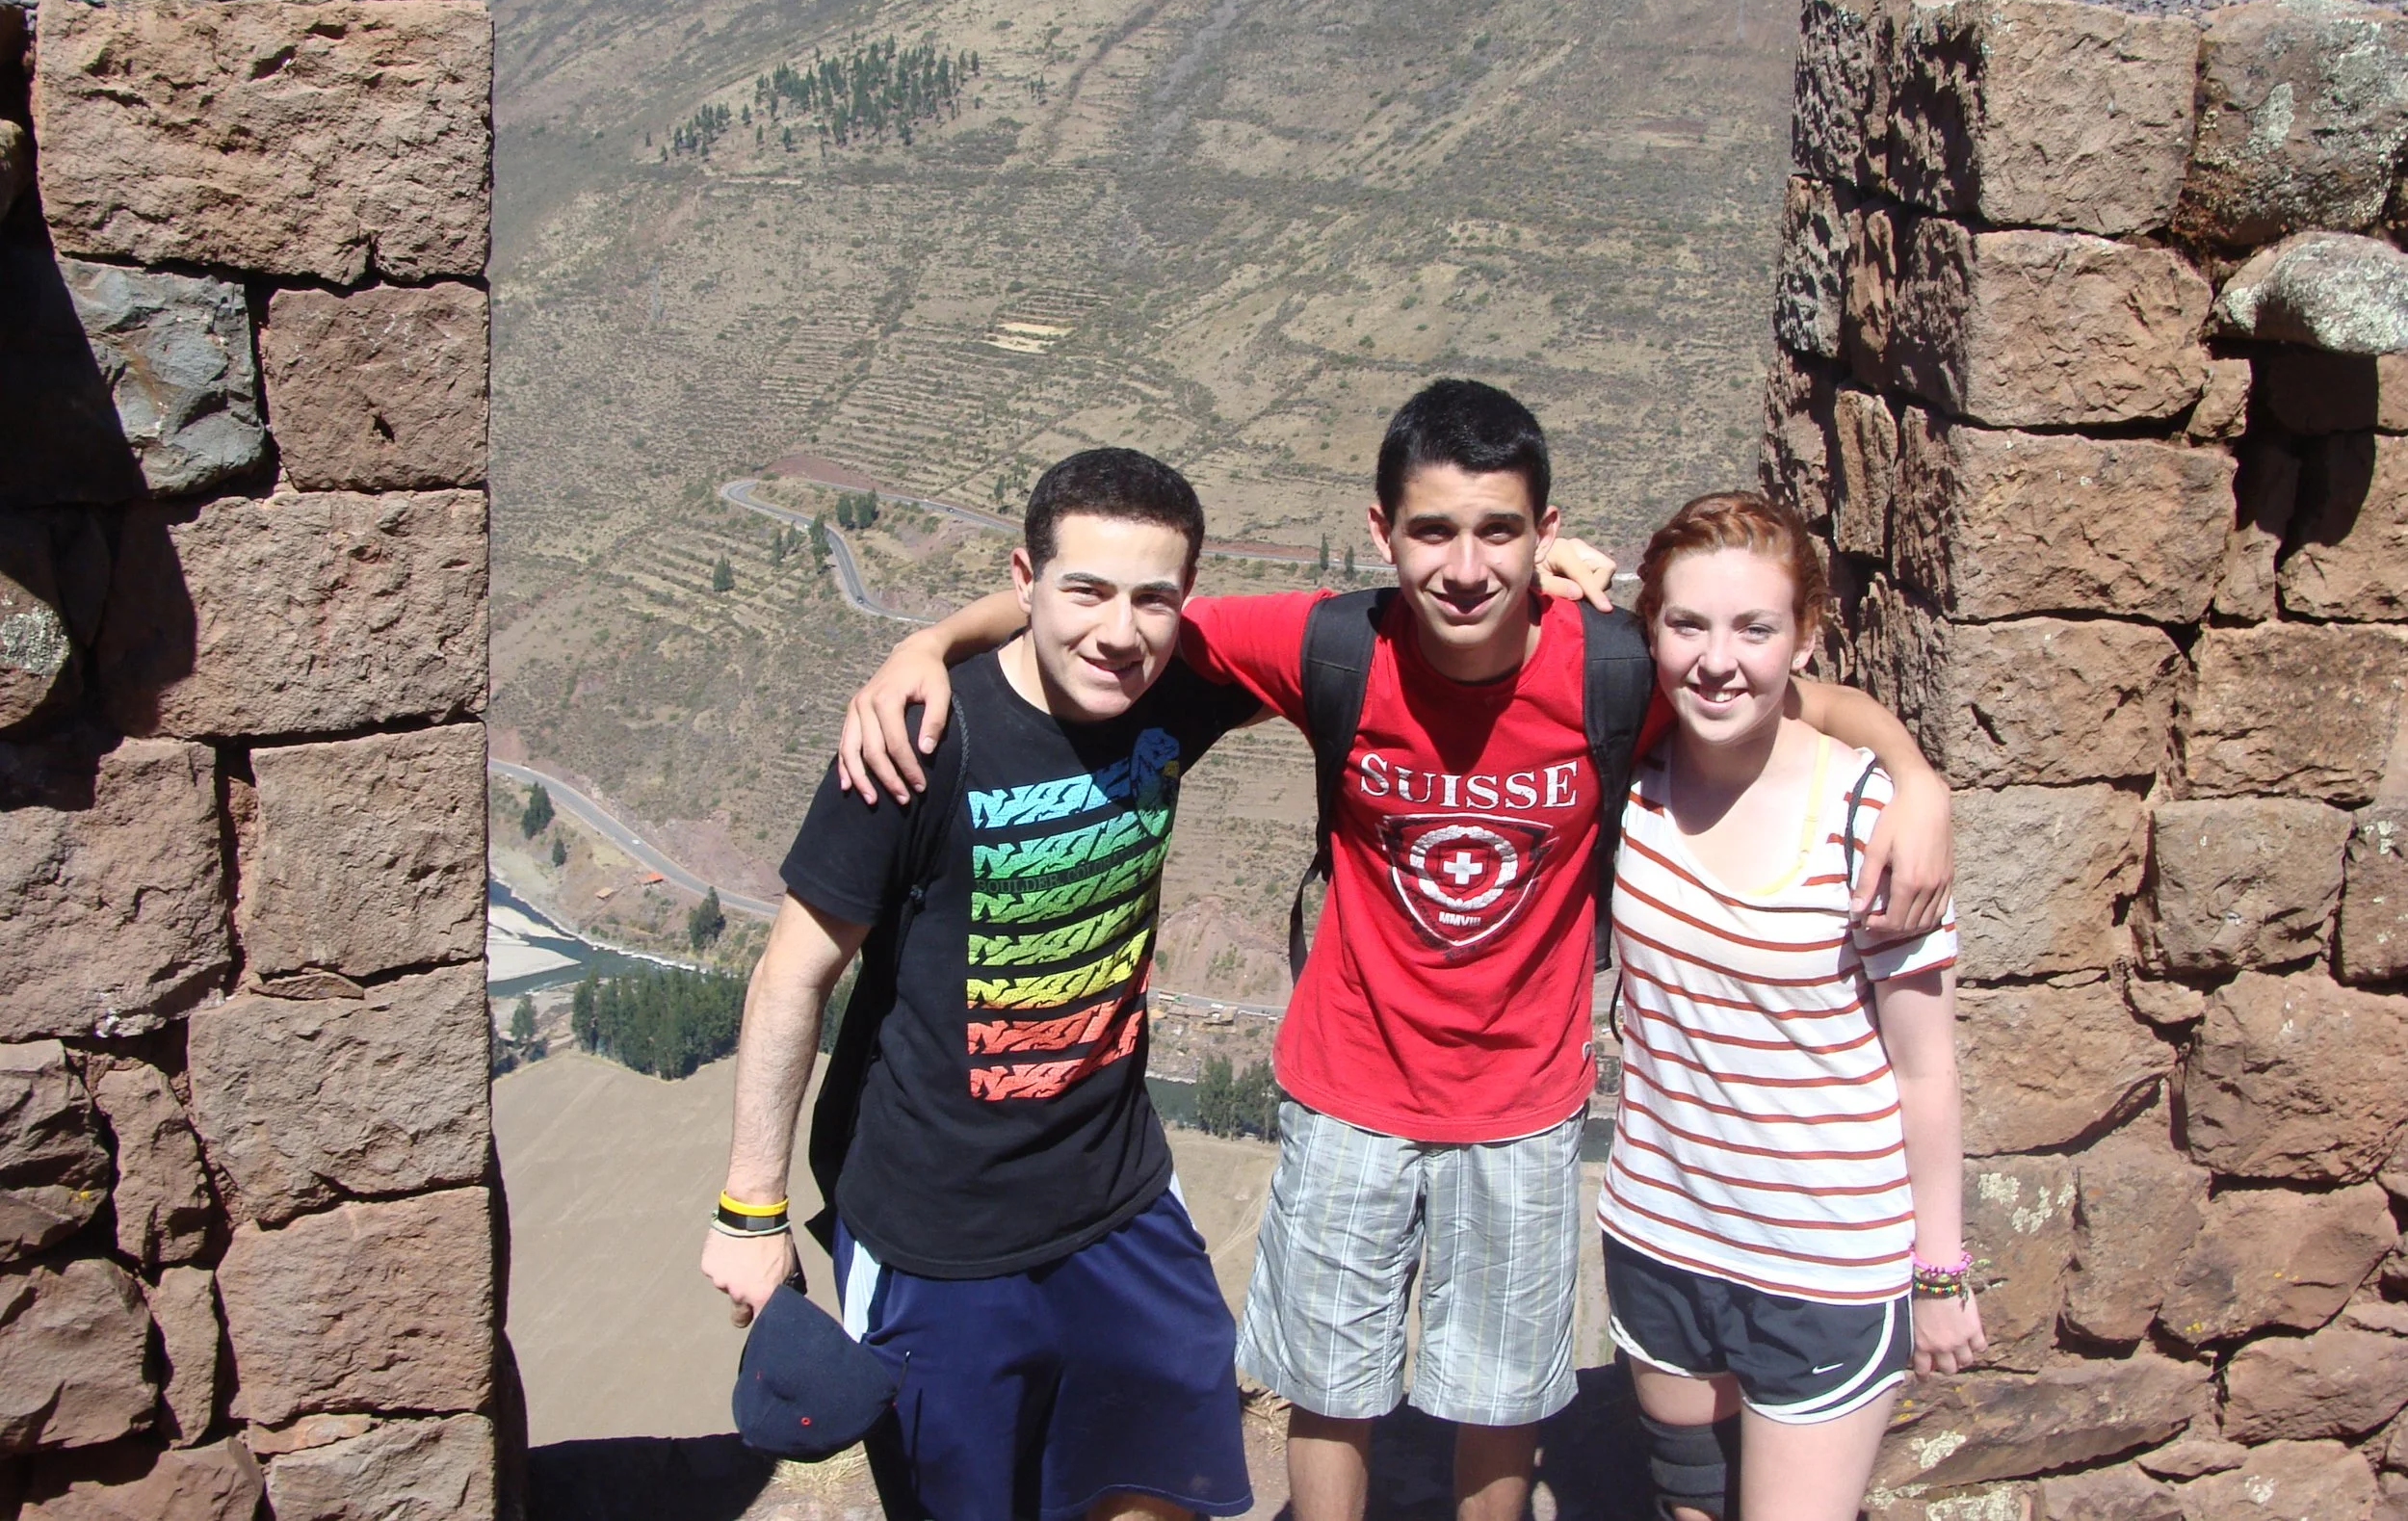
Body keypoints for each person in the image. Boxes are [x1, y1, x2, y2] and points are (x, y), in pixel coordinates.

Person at [835, 380, 1954, 1521]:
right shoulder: (1331, 643)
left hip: (1521, 1103)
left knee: (1499, 1397)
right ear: (1382, 533)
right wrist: (926, 641)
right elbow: (1120, 603)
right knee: (1329, 1388)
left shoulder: (1610, 667)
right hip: (1347, 1087)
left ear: (1545, 535)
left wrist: (1914, 776)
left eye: (1498, 531)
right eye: (1431, 529)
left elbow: (1790, 693)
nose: (1464, 565)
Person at [700, 448, 1264, 1521]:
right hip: (937, 1232)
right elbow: (794, 971)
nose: (1117, 630)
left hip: (1118, 1196)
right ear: (1024, 578)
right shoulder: (920, 738)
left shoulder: (1176, 695)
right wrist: (748, 1206)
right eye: (1084, 589)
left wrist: (1548, 575)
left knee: (1162, 1483)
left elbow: (1381, 627)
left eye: (1154, 598)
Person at [1600, 491, 1983, 1521]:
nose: (1716, 659)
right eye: (1687, 624)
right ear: (1649, 630)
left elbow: (1923, 1065)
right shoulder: (1626, 771)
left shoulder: (1868, 815)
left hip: (1821, 1258)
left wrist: (1938, 1270)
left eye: (1754, 628)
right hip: (1658, 1232)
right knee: (1687, 1506)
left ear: (1805, 638)